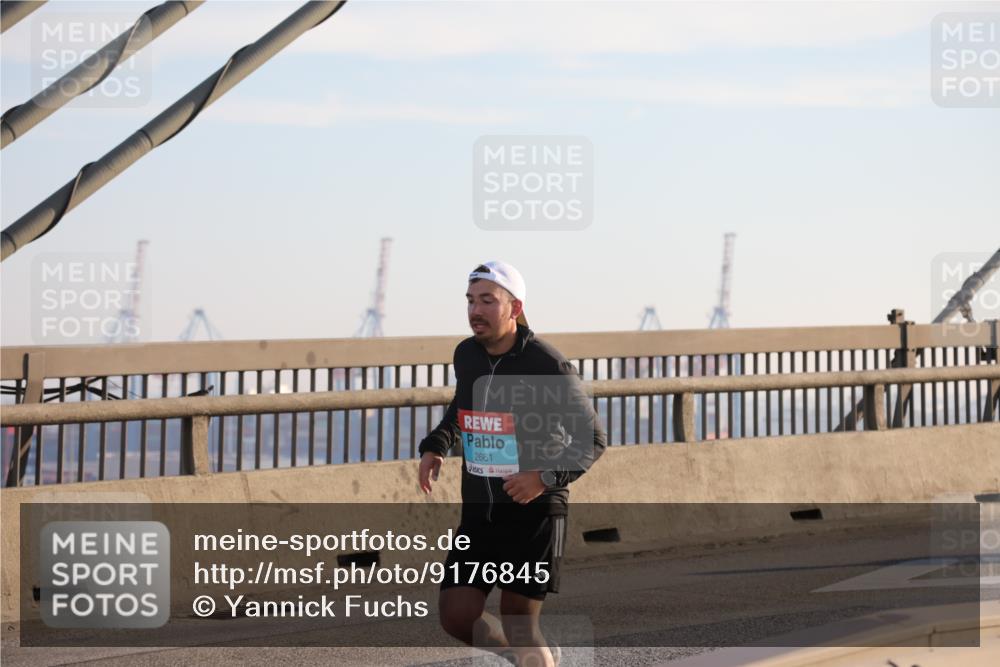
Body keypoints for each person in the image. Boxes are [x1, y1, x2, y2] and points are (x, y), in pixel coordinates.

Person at [418, 261, 607, 667]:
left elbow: (592, 439)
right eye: (470, 300)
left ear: (514, 308)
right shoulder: (467, 354)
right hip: (481, 511)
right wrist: (437, 444)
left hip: (533, 509)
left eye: (488, 300)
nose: (475, 310)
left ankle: (531, 656)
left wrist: (542, 478)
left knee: (519, 620)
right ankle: (530, 660)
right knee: (456, 615)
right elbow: (461, 407)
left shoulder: (547, 365)